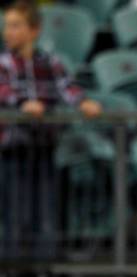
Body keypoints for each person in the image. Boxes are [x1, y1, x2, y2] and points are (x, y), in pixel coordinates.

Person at [0, 0, 101, 260]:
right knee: (16, 214)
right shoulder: (3, 64)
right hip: (13, 149)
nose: (7, 32)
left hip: (45, 148)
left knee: (45, 213)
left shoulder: (50, 62)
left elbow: (67, 86)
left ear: (34, 30)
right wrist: (23, 103)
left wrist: (83, 101)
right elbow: (4, 90)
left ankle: (45, 275)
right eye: (6, 26)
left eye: (15, 26)